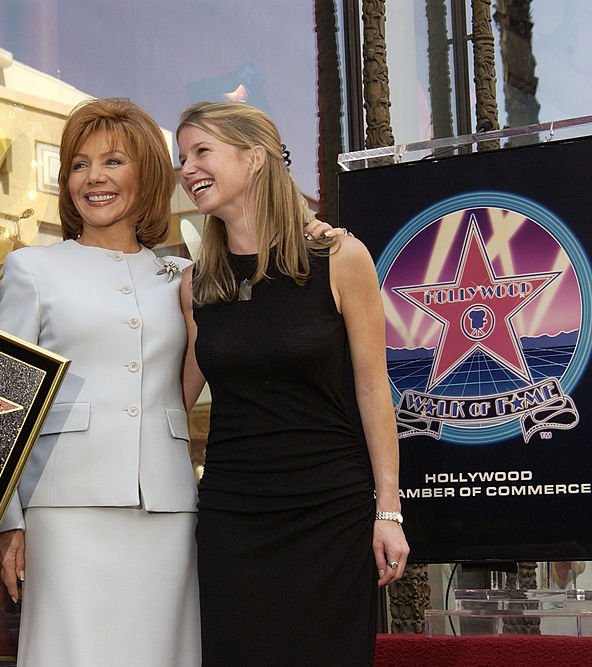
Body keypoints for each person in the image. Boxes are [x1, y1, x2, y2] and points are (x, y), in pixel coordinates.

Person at [176, 101, 410, 666]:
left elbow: (375, 389)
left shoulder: (339, 256)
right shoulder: (195, 284)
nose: (186, 169)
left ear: (255, 157)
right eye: (182, 157)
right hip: (234, 520)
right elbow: (170, 406)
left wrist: (389, 510)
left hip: (330, 515)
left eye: (201, 151)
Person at [0, 98, 201, 666]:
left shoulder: (183, 277)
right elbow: (0, 404)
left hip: (165, 507)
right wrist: (7, 522)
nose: (94, 178)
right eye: (79, 165)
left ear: (148, 175)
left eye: (113, 161)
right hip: (64, 509)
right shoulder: (32, 269)